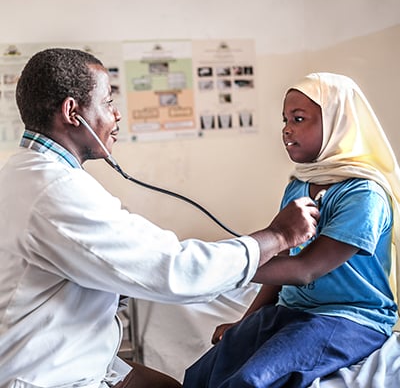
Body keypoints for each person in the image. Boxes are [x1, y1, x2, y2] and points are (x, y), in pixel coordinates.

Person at [0, 48, 319, 388]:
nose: (117, 115)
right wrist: (277, 236)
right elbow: (174, 270)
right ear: (72, 112)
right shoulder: (57, 190)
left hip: (73, 355)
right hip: (48, 374)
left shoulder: (21, 172)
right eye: (108, 102)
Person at [183, 72, 400, 388]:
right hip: (292, 309)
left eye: (299, 119)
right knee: (200, 377)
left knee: (250, 381)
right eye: (285, 119)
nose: (286, 129)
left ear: (338, 124)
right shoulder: (299, 186)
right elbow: (282, 258)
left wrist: (219, 268)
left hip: (349, 318)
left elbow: (304, 270)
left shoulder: (363, 194)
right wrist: (243, 322)